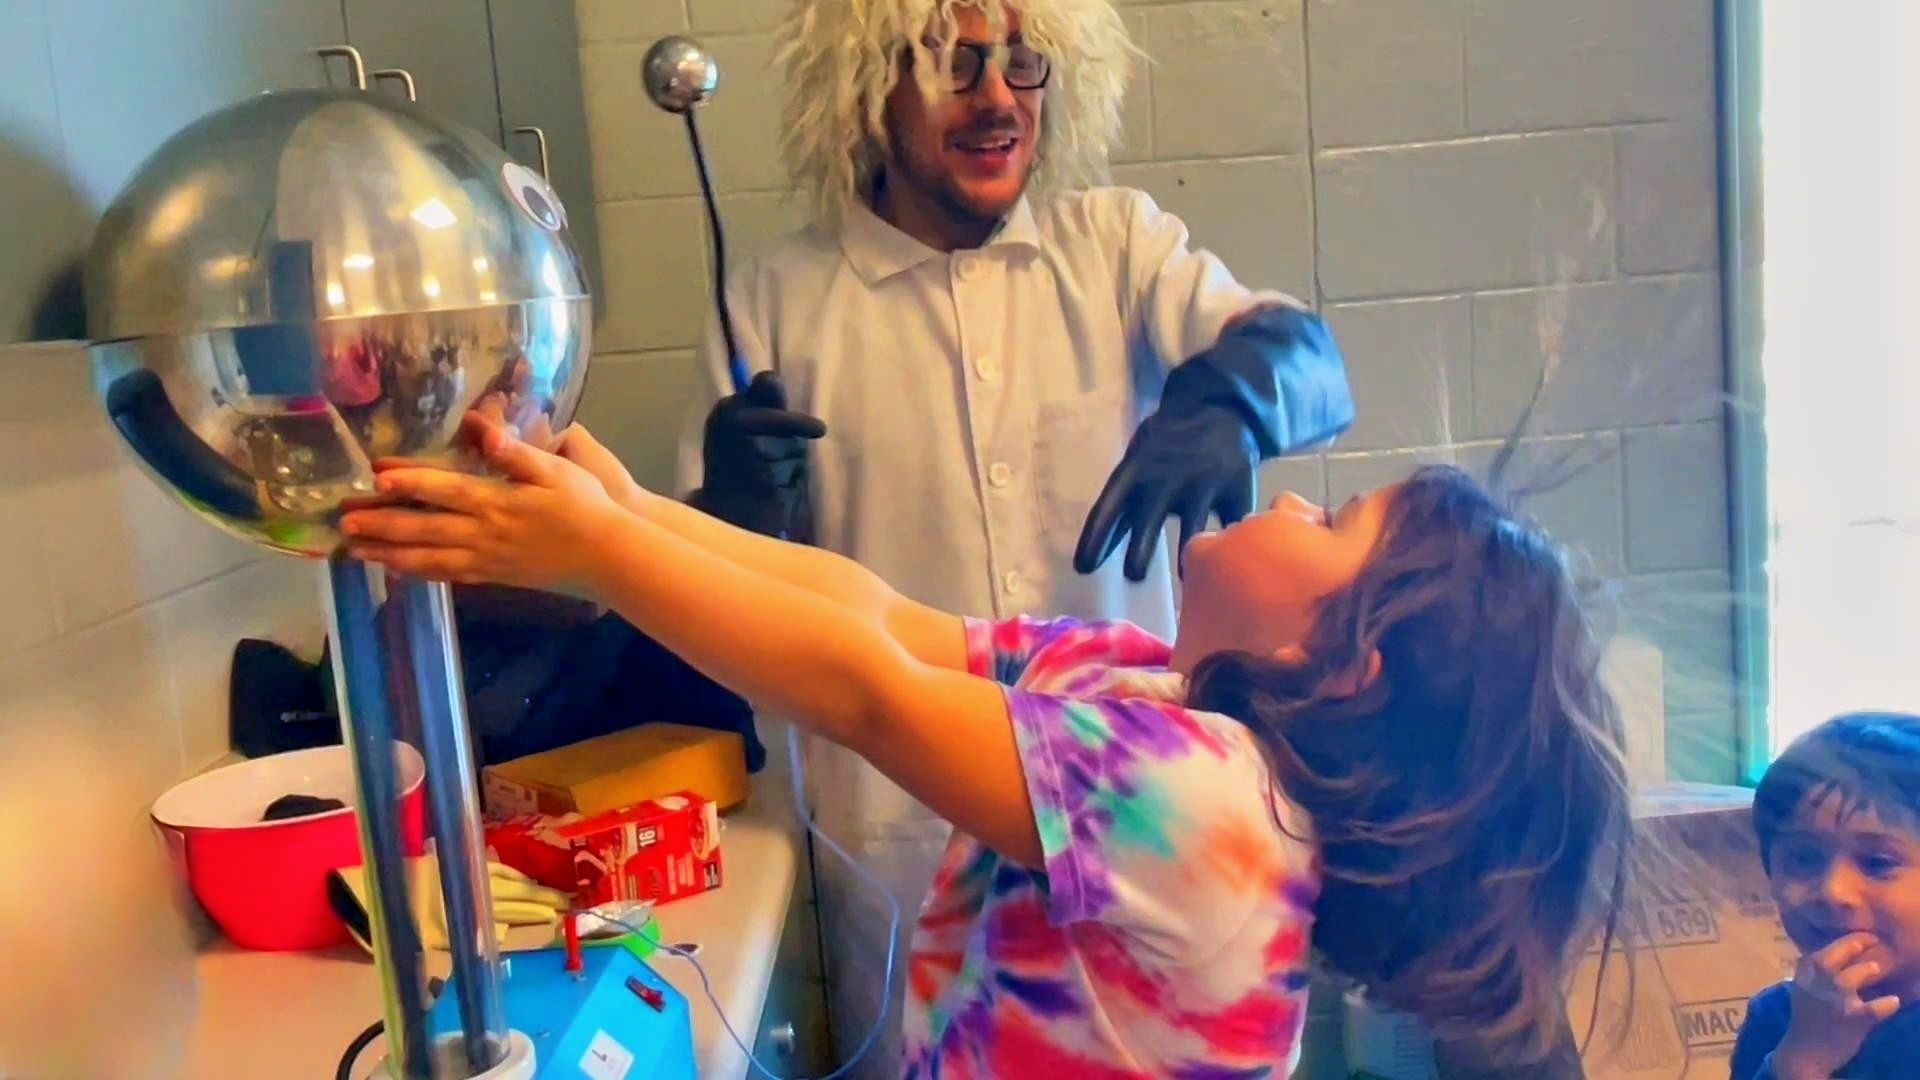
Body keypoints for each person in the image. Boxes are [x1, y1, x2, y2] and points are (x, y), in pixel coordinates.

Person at [338, 415, 1629, 1075]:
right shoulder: (1150, 690)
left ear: (1341, 660)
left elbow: (872, 700)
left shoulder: (1225, 811)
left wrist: (600, 559)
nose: (1294, 496)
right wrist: (627, 515)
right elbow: (877, 623)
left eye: (1335, 515)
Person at [678, 0, 1353, 1055]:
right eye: (952, 64)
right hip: (894, 855)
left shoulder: (1119, 249)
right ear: (868, 88)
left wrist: (1236, 399)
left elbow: (1315, 362)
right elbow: (708, 611)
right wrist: (728, 508)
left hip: (1141, 854)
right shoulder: (775, 298)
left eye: (1023, 64)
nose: (998, 98)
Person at [1733, 712, 1920, 1080]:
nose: (1833, 892)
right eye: (1803, 859)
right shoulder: (1778, 1019)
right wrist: (1802, 1060)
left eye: (1877, 863)